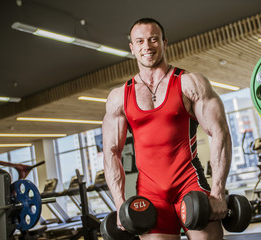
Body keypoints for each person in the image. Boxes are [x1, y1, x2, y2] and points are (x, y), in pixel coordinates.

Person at [102, 18, 232, 240]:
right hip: (150, 193)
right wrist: (119, 203)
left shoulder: (190, 83)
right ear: (132, 48)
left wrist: (218, 193)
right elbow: (111, 152)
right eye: (140, 41)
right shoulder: (118, 97)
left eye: (153, 39)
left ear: (164, 42)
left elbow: (220, 133)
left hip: (190, 184)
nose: (147, 46)